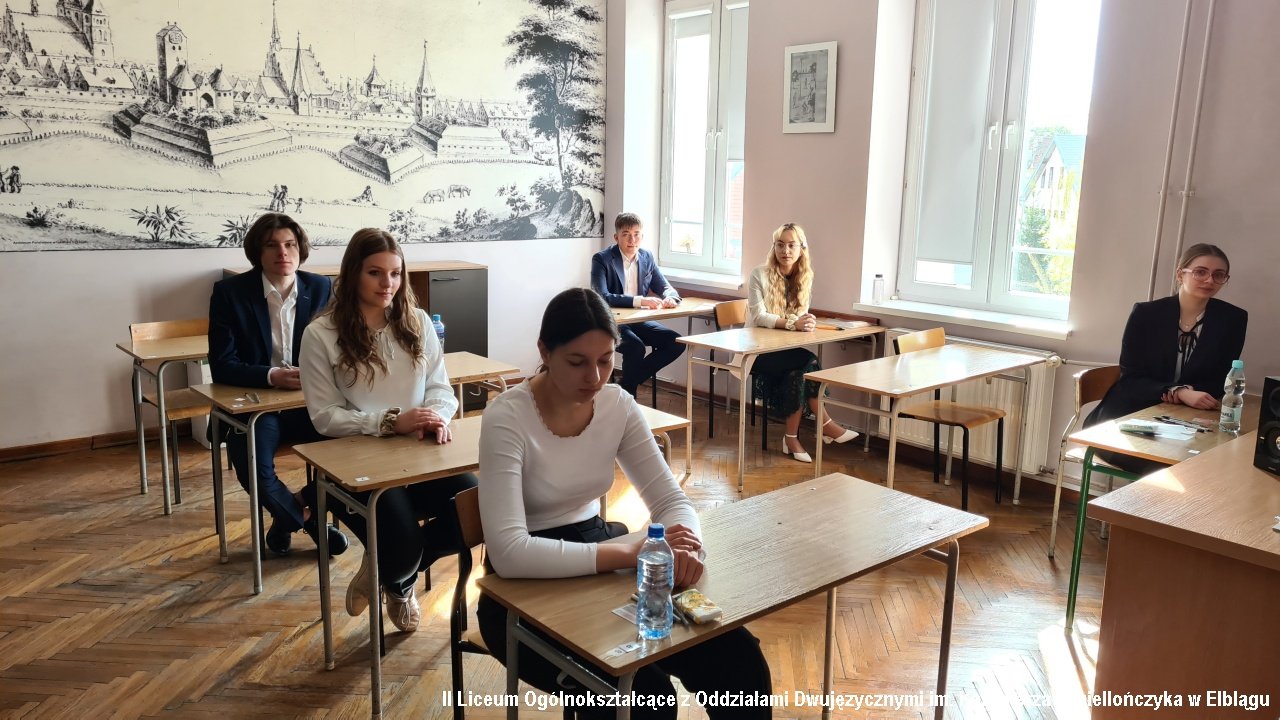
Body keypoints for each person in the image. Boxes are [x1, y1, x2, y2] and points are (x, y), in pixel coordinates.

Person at [477, 288, 772, 719]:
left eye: (605, 360)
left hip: (598, 556)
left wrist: (685, 546)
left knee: (739, 661)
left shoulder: (617, 404)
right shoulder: (507, 417)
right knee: (646, 698)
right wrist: (630, 553)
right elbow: (509, 553)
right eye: (577, 362)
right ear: (544, 351)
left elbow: (671, 500)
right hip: (518, 593)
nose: (595, 377)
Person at [299, 228, 476, 633]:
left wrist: (436, 417)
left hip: (419, 450)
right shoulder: (321, 334)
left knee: (476, 511)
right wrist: (390, 421)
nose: (388, 284)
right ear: (353, 274)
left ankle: (387, 572)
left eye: (395, 274)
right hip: (358, 460)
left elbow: (440, 389)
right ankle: (399, 578)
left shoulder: (416, 321)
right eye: (375, 273)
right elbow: (324, 417)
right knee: (402, 547)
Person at [207, 213, 348, 557]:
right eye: (272, 245)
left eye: (290, 244)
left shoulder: (321, 288)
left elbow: (341, 349)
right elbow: (221, 365)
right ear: (258, 252)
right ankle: (306, 520)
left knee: (356, 449)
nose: (282, 252)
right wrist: (272, 375)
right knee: (250, 459)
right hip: (258, 405)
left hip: (310, 402)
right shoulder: (230, 293)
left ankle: (291, 510)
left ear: (300, 249)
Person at [1084, 242, 1247, 474]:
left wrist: (1193, 398)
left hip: (1188, 417)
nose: (1209, 280)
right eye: (1200, 272)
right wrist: (1178, 391)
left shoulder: (1232, 319)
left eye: (1218, 275)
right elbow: (1131, 377)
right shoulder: (1146, 314)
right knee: (1170, 466)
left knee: (1220, 460)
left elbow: (1222, 377)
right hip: (1130, 410)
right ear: (1180, 274)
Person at [745, 222, 859, 462]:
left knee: (798, 373)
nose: (785, 251)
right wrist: (792, 324)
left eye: (791, 245)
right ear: (774, 247)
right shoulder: (759, 274)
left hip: (783, 349)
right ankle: (825, 426)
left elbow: (799, 316)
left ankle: (791, 438)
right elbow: (759, 317)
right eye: (780, 245)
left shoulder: (804, 277)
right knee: (809, 361)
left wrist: (806, 322)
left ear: (801, 249)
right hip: (755, 351)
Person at [589, 212, 684, 397]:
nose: (632, 240)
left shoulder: (646, 256)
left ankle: (625, 386)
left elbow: (664, 286)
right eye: (626, 234)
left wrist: (671, 297)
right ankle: (627, 393)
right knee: (635, 347)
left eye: (636, 234)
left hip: (638, 320)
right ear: (616, 237)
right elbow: (602, 296)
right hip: (610, 322)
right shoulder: (601, 259)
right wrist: (640, 300)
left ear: (642, 236)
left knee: (676, 342)